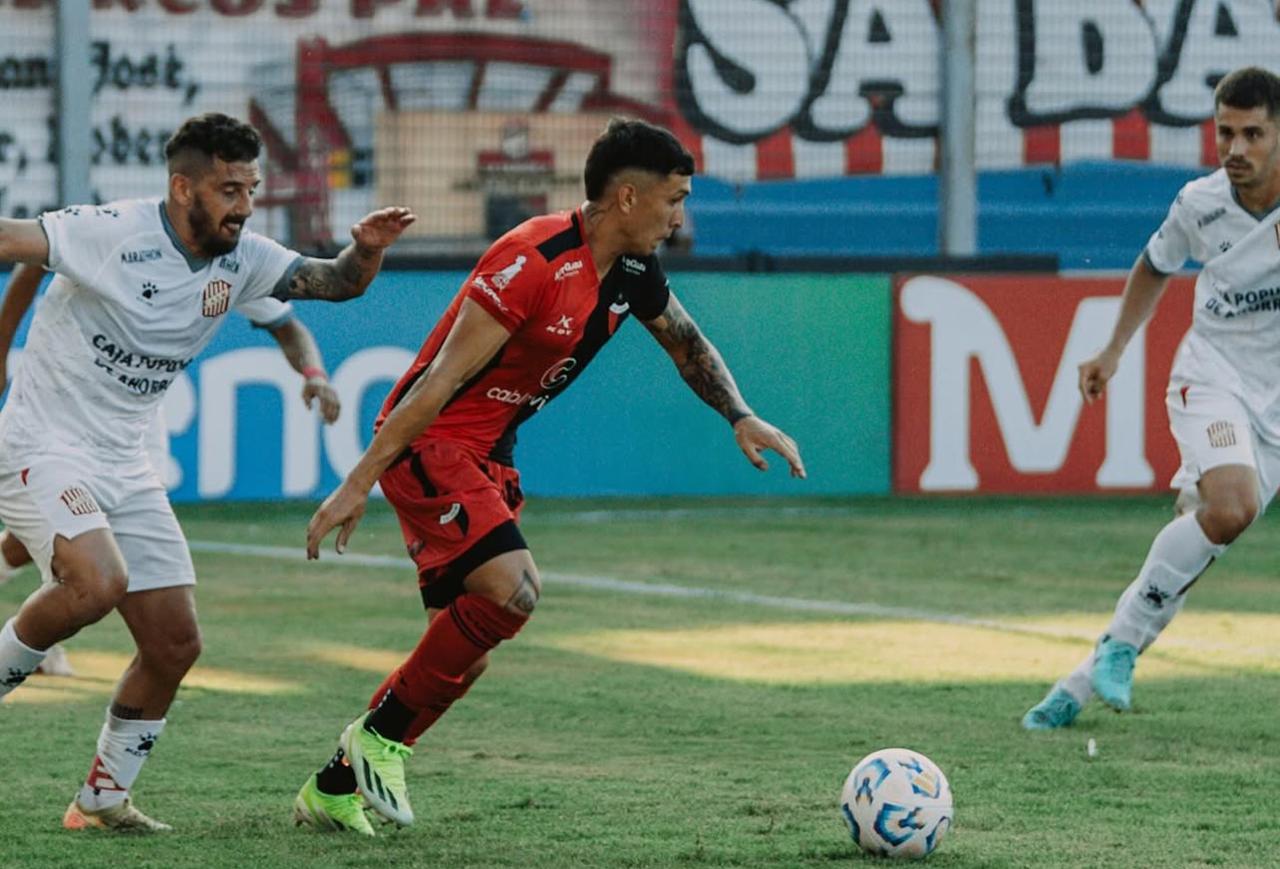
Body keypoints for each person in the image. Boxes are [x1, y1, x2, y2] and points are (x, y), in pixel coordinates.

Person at [291, 118, 805, 836]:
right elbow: (437, 384)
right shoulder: (531, 259)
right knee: (515, 589)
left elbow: (687, 345)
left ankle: (334, 786)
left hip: (490, 455)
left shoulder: (632, 270)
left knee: (461, 657)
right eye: (674, 200)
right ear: (627, 198)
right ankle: (376, 740)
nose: (679, 218)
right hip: (431, 444)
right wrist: (358, 482)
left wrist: (739, 416)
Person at [0, 112, 415, 832]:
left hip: (125, 459)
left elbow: (337, 282)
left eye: (251, 189)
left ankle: (101, 800)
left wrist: (366, 250)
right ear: (182, 187)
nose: (244, 205)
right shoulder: (113, 231)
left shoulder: (243, 258)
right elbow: (15, 244)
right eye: (229, 189)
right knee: (97, 582)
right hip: (41, 442)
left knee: (174, 643)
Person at [1023, 67, 1280, 730]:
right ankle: (1116, 650)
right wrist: (1112, 349)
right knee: (1233, 505)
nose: (1236, 149)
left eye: (1253, 134)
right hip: (1213, 377)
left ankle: (1083, 679)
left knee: (1205, 536)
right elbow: (1155, 266)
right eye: (1225, 133)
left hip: (1274, 406)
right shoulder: (1200, 203)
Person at [0, 260, 344, 677]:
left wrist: (314, 373)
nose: (237, 222)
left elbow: (288, 327)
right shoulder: (123, 240)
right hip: (65, 413)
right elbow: (34, 260)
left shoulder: (235, 260)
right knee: (76, 537)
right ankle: (38, 633)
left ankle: (39, 625)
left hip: (134, 423)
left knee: (94, 529)